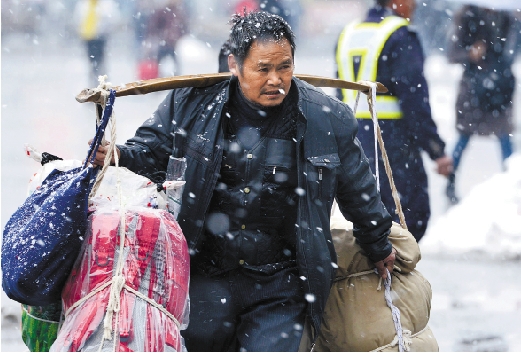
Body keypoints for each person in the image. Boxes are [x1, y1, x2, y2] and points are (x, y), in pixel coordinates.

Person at [92, 11, 396, 351]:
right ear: (235, 65)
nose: (276, 79)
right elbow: (150, 152)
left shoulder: (326, 118)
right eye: (263, 68)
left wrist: (378, 243)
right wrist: (116, 154)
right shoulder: (192, 104)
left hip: (282, 282)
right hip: (204, 275)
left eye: (285, 66)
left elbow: (358, 188)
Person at [335, 0, 453, 242]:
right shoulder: (399, 34)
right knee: (407, 221)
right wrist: (435, 149)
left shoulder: (349, 32)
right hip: (393, 146)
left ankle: (372, 273)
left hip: (355, 143)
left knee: (363, 220)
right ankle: (393, 276)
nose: (414, 6)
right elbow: (415, 101)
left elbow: (340, 93)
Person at [445, 5, 518, 204]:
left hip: (500, 90)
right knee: (464, 138)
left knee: (505, 138)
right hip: (473, 91)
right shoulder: (468, 15)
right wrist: (470, 53)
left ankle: (513, 185)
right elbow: (452, 54)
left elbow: (511, 52)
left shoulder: (508, 17)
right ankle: (450, 182)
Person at [73, 0, 120, 87]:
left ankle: (102, 83)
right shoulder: (84, 4)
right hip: (88, 37)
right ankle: (94, 84)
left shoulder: (106, 4)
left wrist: (104, 29)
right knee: (92, 62)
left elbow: (113, 19)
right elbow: (78, 19)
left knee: (100, 62)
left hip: (100, 37)